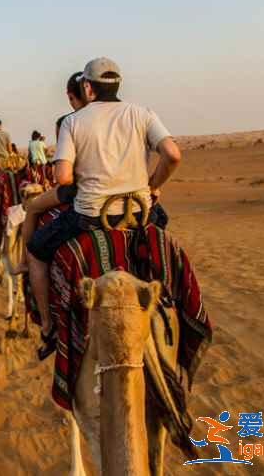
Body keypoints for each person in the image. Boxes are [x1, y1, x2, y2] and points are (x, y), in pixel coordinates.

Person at [24, 57, 182, 360]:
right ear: (118, 83)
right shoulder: (142, 113)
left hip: (89, 216)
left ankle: (47, 327)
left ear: (87, 86)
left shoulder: (73, 121)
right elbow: (173, 155)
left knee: (35, 249)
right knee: (163, 235)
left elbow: (63, 178)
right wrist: (153, 185)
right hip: (139, 213)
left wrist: (81, 183)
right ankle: (173, 309)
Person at [11, 71, 87, 275]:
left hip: (75, 185)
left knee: (33, 207)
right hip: (125, 190)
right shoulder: (117, 116)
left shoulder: (67, 122)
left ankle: (26, 260)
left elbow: (62, 176)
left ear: (72, 95)